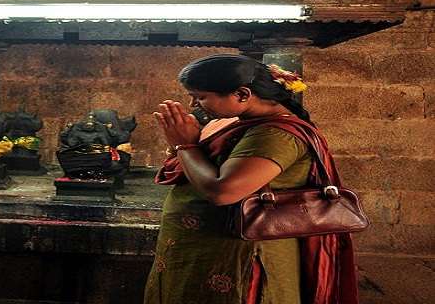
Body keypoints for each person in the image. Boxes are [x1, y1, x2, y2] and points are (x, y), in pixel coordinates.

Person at [144, 54, 359, 304]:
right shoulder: (240, 123)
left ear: (243, 95)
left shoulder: (276, 135)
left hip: (241, 258)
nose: (193, 104)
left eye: (201, 96)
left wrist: (184, 145)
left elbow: (223, 191)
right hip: (209, 253)